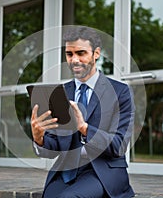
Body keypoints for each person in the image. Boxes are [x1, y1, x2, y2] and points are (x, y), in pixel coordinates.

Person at [30, 26, 135, 198]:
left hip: (102, 172)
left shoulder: (120, 92)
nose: (74, 60)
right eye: (69, 54)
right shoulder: (60, 92)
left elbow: (119, 145)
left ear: (96, 53)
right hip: (67, 171)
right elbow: (54, 147)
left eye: (81, 53)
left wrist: (85, 129)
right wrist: (39, 138)